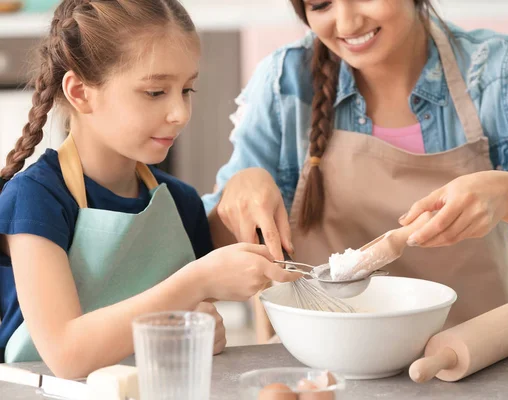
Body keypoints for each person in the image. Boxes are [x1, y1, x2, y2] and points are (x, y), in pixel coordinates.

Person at [203, 0, 508, 342]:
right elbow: (207, 247)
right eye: (320, 4)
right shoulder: (283, 85)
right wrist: (238, 195)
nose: (347, 24)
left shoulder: (503, 73)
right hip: (323, 374)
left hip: (477, 370)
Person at [0, 0, 299, 376]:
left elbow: (192, 320)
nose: (180, 113)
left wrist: (199, 330)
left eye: (187, 90)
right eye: (156, 92)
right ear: (80, 92)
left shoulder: (179, 203)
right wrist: (197, 282)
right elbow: (66, 353)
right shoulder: (34, 199)